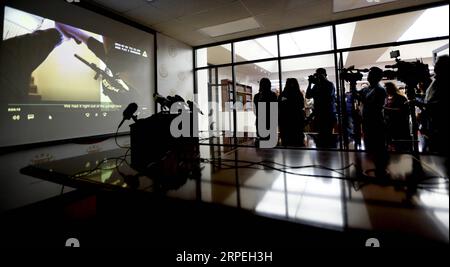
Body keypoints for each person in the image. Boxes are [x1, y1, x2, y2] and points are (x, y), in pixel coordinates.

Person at [358, 67, 388, 177]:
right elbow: (358, 95)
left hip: (376, 122)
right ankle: (374, 169)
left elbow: (374, 105)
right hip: (367, 121)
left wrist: (362, 98)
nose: (368, 76)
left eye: (371, 74)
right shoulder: (369, 88)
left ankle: (381, 172)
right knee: (369, 147)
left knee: (378, 148)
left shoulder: (380, 90)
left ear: (377, 77)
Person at [423, 55, 449, 174]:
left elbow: (442, 104)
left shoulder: (445, 82)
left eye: (437, 64)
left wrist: (422, 104)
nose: (435, 66)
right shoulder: (435, 80)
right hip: (433, 126)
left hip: (443, 127)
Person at [305, 68, 337, 147]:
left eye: (320, 75)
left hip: (328, 115)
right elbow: (308, 95)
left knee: (328, 137)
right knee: (320, 138)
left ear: (325, 75)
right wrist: (310, 83)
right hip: (319, 115)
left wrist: (319, 82)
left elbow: (326, 97)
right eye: (317, 75)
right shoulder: (316, 86)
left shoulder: (330, 84)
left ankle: (328, 152)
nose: (318, 77)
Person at [278, 78, 305, 147]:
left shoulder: (284, 94)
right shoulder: (299, 94)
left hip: (286, 121)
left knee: (286, 143)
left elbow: (280, 105)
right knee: (297, 143)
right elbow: (301, 105)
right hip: (297, 120)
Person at [383, 82, 410, 151]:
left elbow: (402, 110)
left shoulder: (400, 98)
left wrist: (385, 109)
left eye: (386, 88)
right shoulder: (386, 98)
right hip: (389, 124)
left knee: (399, 146)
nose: (385, 90)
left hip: (399, 124)